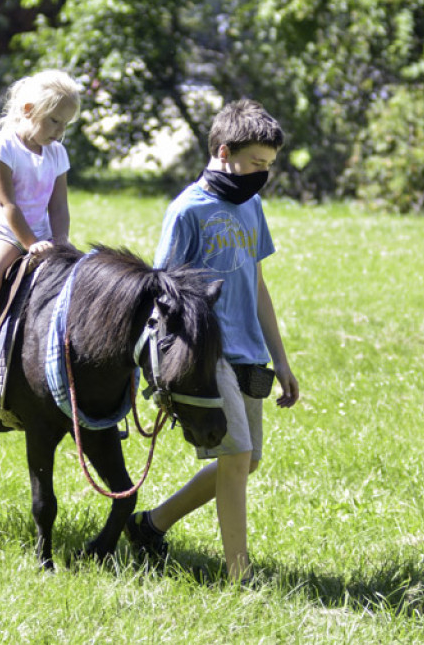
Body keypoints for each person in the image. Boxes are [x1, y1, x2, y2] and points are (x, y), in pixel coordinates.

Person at [126, 99, 300, 584]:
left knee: (247, 461)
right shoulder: (188, 210)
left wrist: (281, 359)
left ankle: (150, 525)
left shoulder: (252, 205)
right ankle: (239, 576)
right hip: (208, 353)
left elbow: (258, 284)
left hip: (250, 351)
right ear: (224, 151)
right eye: (256, 164)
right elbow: (164, 287)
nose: (262, 175)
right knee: (236, 456)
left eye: (268, 166)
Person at [0, 70, 82, 392]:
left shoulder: (57, 153)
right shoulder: (2, 147)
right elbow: (7, 204)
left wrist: (60, 240)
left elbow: (58, 205)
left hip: (43, 237)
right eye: (53, 121)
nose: (60, 131)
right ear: (27, 110)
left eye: (65, 124)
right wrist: (31, 242)